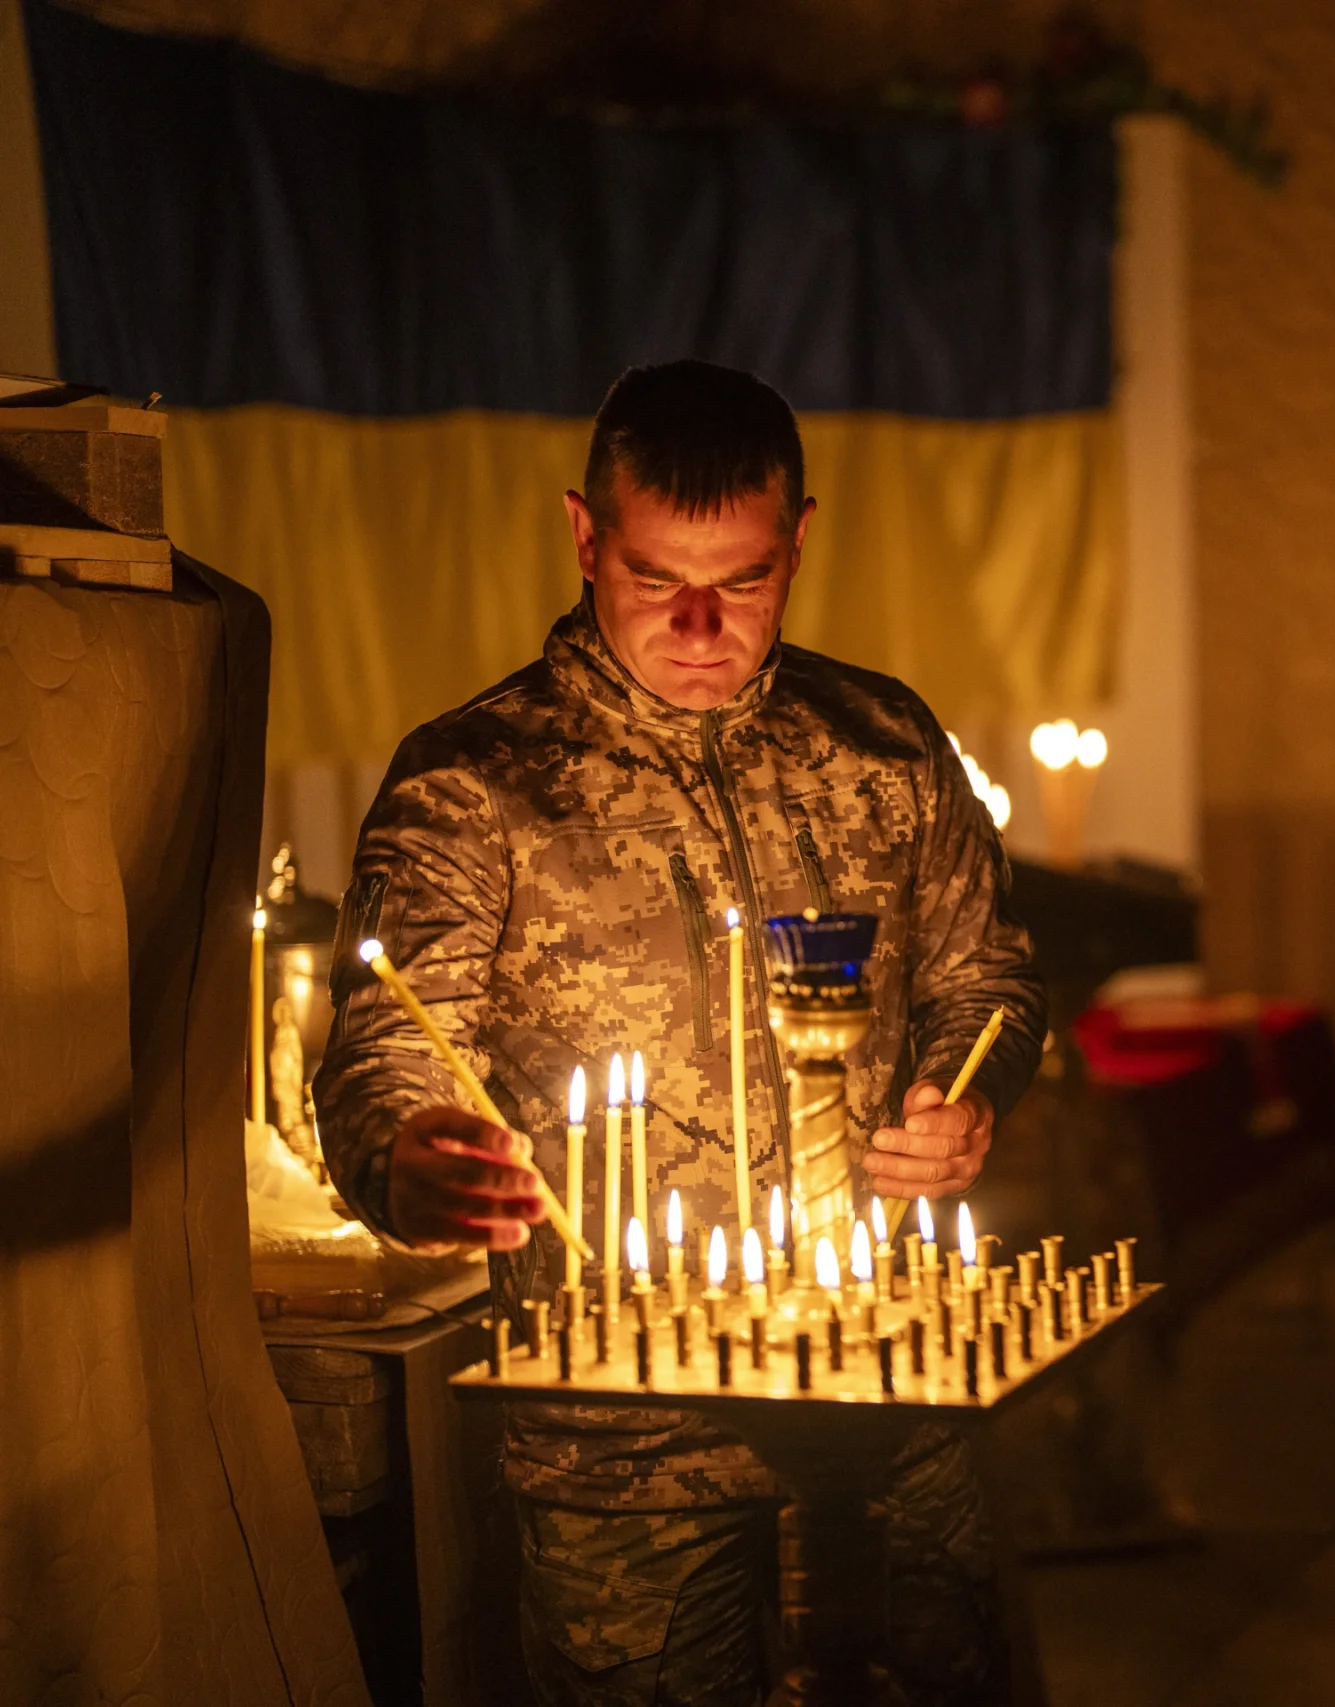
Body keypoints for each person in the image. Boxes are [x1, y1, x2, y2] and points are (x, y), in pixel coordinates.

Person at [314, 360, 1046, 1704]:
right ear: (586, 537)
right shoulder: (477, 783)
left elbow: (988, 973)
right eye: (657, 578)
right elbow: (384, 1051)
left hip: (884, 1406)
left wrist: (961, 1087)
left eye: (747, 579)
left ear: (802, 539)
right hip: (621, 1444)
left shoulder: (881, 745)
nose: (703, 625)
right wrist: (410, 1151)